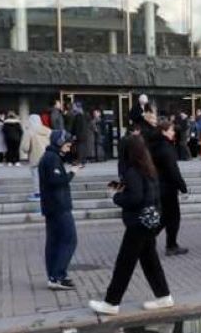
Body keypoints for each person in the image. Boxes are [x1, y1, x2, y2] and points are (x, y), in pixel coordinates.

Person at [89, 135, 173, 315]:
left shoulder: (133, 171)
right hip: (150, 220)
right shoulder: (148, 168)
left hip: (137, 223)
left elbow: (135, 198)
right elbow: (149, 194)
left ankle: (111, 303)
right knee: (150, 262)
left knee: (124, 264)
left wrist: (115, 196)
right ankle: (164, 296)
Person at [39, 130, 81, 290]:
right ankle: (58, 275)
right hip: (59, 205)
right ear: (59, 142)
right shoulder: (52, 158)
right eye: (67, 144)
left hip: (51, 205)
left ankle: (53, 275)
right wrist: (72, 172)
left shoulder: (51, 157)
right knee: (69, 239)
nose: (69, 148)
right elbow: (58, 181)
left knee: (54, 241)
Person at [150, 120, 189, 256]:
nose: (173, 133)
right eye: (171, 130)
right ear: (164, 131)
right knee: (172, 217)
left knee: (164, 217)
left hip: (159, 185)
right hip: (167, 187)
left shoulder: (155, 145)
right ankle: (170, 245)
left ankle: (149, 241)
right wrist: (183, 187)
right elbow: (173, 170)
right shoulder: (165, 148)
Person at [21, 113, 52, 201]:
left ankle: (38, 193)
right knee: (47, 175)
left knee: (36, 175)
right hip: (48, 156)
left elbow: (25, 147)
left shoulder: (29, 131)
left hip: (35, 157)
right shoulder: (48, 130)